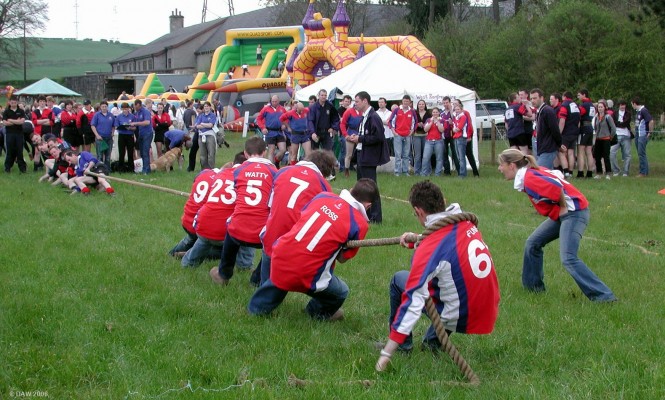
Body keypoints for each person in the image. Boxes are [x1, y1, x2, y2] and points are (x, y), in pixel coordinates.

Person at [375, 181, 500, 371]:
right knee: (448, 281)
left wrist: (387, 353)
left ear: (419, 211)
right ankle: (433, 342)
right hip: (486, 306)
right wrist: (417, 239)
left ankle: (403, 346)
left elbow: (413, 300)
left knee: (399, 280)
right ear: (443, 202)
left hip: (461, 314)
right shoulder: (463, 222)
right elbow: (447, 248)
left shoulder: (431, 247)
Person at [248, 178, 378, 320]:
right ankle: (314, 313)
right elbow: (342, 258)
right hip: (307, 272)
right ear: (368, 205)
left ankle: (256, 309)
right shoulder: (359, 224)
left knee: (281, 278)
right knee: (341, 292)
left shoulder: (323, 196)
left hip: (280, 254)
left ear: (351, 190)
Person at [498, 148, 617, 302]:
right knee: (532, 244)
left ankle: (605, 297)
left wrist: (562, 207)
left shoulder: (529, 178)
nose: (500, 169)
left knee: (568, 258)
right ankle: (533, 289)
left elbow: (555, 185)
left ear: (512, 165)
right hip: (565, 215)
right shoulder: (530, 173)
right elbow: (558, 176)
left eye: (501, 165)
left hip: (575, 213)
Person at [257, 150, 335, 285]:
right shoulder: (324, 187)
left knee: (269, 245)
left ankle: (260, 283)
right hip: (293, 242)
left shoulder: (282, 171)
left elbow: (270, 204)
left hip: (271, 233)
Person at [209, 136, 278, 286]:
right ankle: (257, 279)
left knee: (232, 228)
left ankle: (223, 274)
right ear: (265, 152)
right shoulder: (274, 171)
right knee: (274, 243)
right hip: (262, 234)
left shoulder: (239, 170)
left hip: (238, 231)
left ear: (245, 154)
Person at [182, 152, 255, 269]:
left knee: (204, 241)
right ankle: (244, 266)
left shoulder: (221, 174)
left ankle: (188, 262)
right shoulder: (245, 180)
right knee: (247, 227)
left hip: (202, 225)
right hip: (222, 232)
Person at [346, 91, 389, 224]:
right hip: (362, 154)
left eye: (357, 101)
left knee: (370, 187)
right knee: (362, 186)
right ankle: (366, 214)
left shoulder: (373, 117)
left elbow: (378, 137)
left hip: (369, 157)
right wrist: (357, 138)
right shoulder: (365, 116)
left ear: (365, 101)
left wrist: (360, 138)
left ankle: (376, 218)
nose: (355, 104)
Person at [169, 167, 221, 258]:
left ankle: (173, 254)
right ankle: (189, 255)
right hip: (199, 223)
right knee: (220, 247)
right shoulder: (221, 183)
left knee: (190, 239)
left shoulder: (204, 172)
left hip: (187, 218)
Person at [530, 89, 564, 169]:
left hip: (548, 148)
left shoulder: (547, 111)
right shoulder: (540, 111)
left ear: (542, 98)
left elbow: (555, 130)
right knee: (547, 176)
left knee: (539, 173)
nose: (532, 101)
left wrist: (559, 144)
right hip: (542, 148)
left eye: (535, 98)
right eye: (531, 98)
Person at [256, 95, 287, 166]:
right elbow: (259, 118)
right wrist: (263, 128)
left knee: (283, 150)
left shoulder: (282, 109)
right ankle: (272, 167)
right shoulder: (266, 109)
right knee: (271, 150)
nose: (274, 103)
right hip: (270, 132)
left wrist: (284, 125)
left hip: (279, 132)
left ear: (278, 101)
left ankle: (276, 161)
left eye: (276, 101)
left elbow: (287, 118)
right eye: (273, 101)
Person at [453, 99, 480, 177]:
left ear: (460, 105)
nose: (454, 105)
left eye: (456, 104)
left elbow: (469, 125)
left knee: (468, 154)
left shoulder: (465, 113)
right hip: (457, 135)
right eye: (454, 104)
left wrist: (468, 136)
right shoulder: (455, 114)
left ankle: (475, 172)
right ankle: (461, 172)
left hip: (465, 135)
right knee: (460, 155)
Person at [389, 95, 415, 176]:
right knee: (398, 154)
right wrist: (394, 132)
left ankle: (405, 171)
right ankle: (397, 172)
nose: (405, 103)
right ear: (402, 101)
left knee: (406, 154)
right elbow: (391, 121)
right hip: (398, 135)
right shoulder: (397, 110)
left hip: (407, 135)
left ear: (409, 102)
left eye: (407, 101)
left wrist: (411, 131)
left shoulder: (412, 111)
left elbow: (415, 123)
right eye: (404, 101)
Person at [557, 92, 581, 178]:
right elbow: (579, 121)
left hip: (566, 132)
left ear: (564, 97)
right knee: (571, 152)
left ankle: (566, 171)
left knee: (562, 152)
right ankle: (571, 172)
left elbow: (562, 120)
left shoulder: (564, 105)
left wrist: (559, 133)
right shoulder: (576, 106)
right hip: (574, 132)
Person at [279, 101, 311, 165]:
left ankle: (308, 168)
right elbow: (281, 118)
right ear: (296, 108)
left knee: (309, 154)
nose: (302, 111)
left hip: (305, 134)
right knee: (294, 155)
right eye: (300, 110)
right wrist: (288, 127)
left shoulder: (306, 110)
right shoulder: (291, 113)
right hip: (295, 135)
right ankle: (293, 168)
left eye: (302, 110)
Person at [2, 96, 27, 173]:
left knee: (19, 151)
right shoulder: (6, 111)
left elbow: (22, 122)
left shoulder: (21, 111)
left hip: (19, 134)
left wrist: (11, 120)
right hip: (9, 134)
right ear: (9, 102)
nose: (13, 104)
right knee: (9, 151)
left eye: (15, 102)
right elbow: (5, 123)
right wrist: (16, 121)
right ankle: (7, 168)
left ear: (17, 102)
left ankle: (22, 169)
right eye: (12, 102)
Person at [592, 100, 615, 180]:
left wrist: (610, 137)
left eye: (601, 107)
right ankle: (599, 173)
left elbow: (613, 128)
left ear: (605, 108)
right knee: (597, 156)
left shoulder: (608, 117)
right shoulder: (596, 117)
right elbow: (595, 127)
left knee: (606, 156)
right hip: (598, 138)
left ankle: (608, 173)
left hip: (606, 139)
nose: (600, 108)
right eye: (599, 107)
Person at [339, 99, 363, 178]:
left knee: (361, 153)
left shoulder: (362, 112)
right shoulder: (349, 111)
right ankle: (346, 170)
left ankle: (360, 169)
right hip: (350, 133)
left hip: (359, 134)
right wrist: (346, 135)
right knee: (348, 154)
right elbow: (342, 124)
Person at [130, 99, 154, 174]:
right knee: (141, 152)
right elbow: (137, 124)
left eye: (135, 105)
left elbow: (147, 122)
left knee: (145, 151)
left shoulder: (145, 111)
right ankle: (147, 168)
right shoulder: (137, 112)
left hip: (147, 133)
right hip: (141, 133)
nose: (134, 107)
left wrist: (136, 123)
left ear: (139, 105)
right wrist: (130, 127)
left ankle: (145, 170)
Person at [631, 96, 653, 178]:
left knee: (641, 154)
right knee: (641, 153)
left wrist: (650, 132)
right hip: (638, 135)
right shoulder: (638, 111)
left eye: (632, 104)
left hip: (642, 135)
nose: (632, 106)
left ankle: (643, 172)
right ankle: (645, 171)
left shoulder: (643, 110)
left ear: (634, 103)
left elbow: (651, 121)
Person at [610, 100, 632, 177]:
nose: (622, 106)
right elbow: (613, 122)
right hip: (616, 135)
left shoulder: (628, 113)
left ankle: (625, 171)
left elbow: (626, 123)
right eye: (621, 105)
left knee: (627, 154)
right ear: (618, 105)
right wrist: (619, 124)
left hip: (626, 135)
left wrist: (619, 123)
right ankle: (616, 170)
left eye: (624, 105)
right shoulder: (614, 113)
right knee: (612, 152)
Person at [90, 100, 115, 170]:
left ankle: (107, 169)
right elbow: (92, 126)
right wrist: (97, 135)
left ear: (107, 107)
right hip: (100, 138)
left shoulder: (111, 115)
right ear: (100, 107)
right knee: (100, 155)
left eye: (105, 106)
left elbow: (113, 125)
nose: (104, 108)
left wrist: (113, 132)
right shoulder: (97, 115)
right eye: (102, 106)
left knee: (108, 155)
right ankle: (99, 169)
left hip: (109, 137)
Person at [577, 89, 596, 178]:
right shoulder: (592, 105)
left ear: (584, 95)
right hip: (590, 128)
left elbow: (579, 114)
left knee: (581, 151)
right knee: (589, 151)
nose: (578, 97)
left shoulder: (584, 105)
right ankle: (589, 172)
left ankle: (580, 172)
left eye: (579, 95)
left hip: (584, 128)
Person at [421, 107, 444, 176]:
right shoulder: (428, 120)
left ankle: (438, 173)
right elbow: (425, 130)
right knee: (425, 157)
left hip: (438, 141)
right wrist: (431, 122)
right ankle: (424, 173)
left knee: (439, 158)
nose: (435, 113)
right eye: (434, 112)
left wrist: (437, 122)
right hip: (429, 141)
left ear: (439, 113)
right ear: (432, 113)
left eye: (436, 112)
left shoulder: (442, 120)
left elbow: (442, 130)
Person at [195, 101, 217, 170]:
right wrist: (206, 125)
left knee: (211, 153)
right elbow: (197, 126)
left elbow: (211, 125)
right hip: (202, 135)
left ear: (210, 107)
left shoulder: (213, 115)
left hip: (210, 135)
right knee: (202, 155)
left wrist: (203, 124)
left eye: (207, 106)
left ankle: (211, 169)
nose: (206, 107)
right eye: (205, 106)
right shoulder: (201, 115)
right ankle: (204, 170)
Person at [441, 96, 460, 175]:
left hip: (453, 135)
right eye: (444, 103)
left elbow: (455, 118)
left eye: (447, 103)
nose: (446, 104)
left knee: (455, 153)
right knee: (444, 153)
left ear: (450, 103)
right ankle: (447, 171)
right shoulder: (442, 113)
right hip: (444, 135)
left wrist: (451, 110)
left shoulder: (454, 111)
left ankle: (459, 170)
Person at [114, 102, 135, 173]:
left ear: (128, 109)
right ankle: (121, 168)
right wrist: (122, 127)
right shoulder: (119, 116)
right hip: (122, 135)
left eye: (126, 109)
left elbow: (135, 127)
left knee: (130, 152)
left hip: (130, 135)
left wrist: (130, 128)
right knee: (122, 152)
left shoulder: (132, 116)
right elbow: (116, 126)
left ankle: (131, 168)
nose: (125, 110)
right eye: (123, 109)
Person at [412, 100, 430, 176]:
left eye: (423, 104)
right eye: (420, 104)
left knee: (426, 155)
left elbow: (430, 123)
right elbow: (412, 122)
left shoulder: (428, 113)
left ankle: (426, 171)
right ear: (418, 105)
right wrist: (417, 124)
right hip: (416, 135)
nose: (421, 105)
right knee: (418, 155)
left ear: (425, 105)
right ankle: (417, 172)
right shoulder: (415, 113)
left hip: (425, 135)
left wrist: (425, 125)